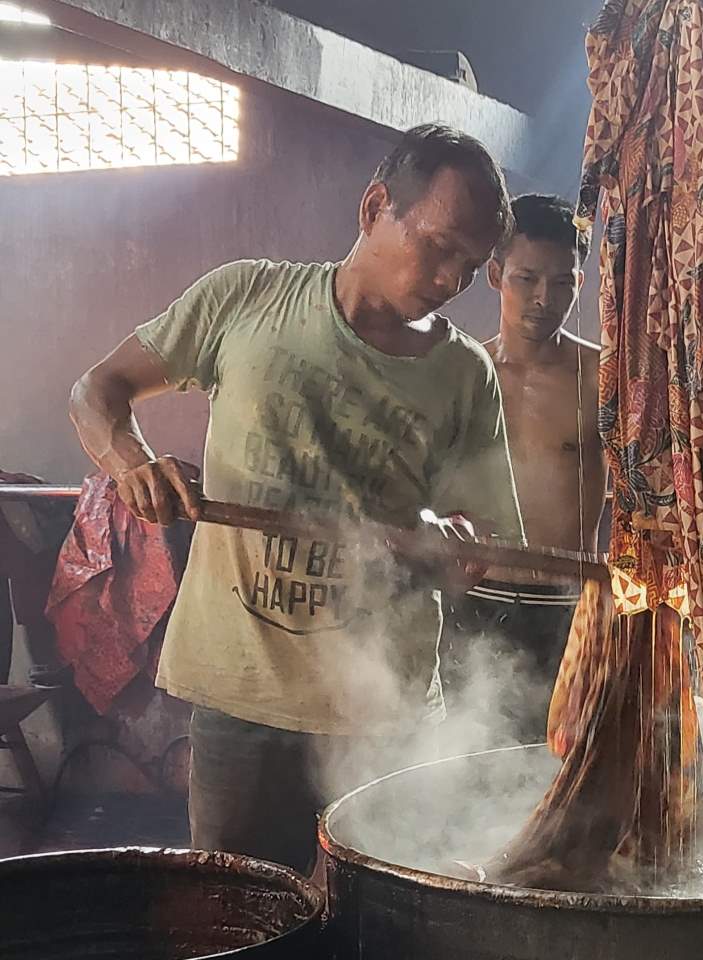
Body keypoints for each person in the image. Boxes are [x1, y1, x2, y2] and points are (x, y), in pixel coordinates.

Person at [68, 124, 525, 875]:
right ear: (375, 206)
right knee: (241, 922)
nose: (450, 280)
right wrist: (130, 461)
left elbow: (489, 534)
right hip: (242, 698)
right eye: (440, 248)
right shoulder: (246, 297)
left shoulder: (463, 373)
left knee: (387, 929)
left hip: (388, 714)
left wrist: (452, 539)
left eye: (472, 267)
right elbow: (96, 391)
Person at [442, 194, 606, 744]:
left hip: (568, 606)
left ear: (580, 284)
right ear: (495, 274)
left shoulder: (602, 378)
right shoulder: (462, 374)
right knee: (469, 773)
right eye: (527, 279)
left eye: (562, 282)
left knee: (565, 773)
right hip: (476, 603)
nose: (544, 299)